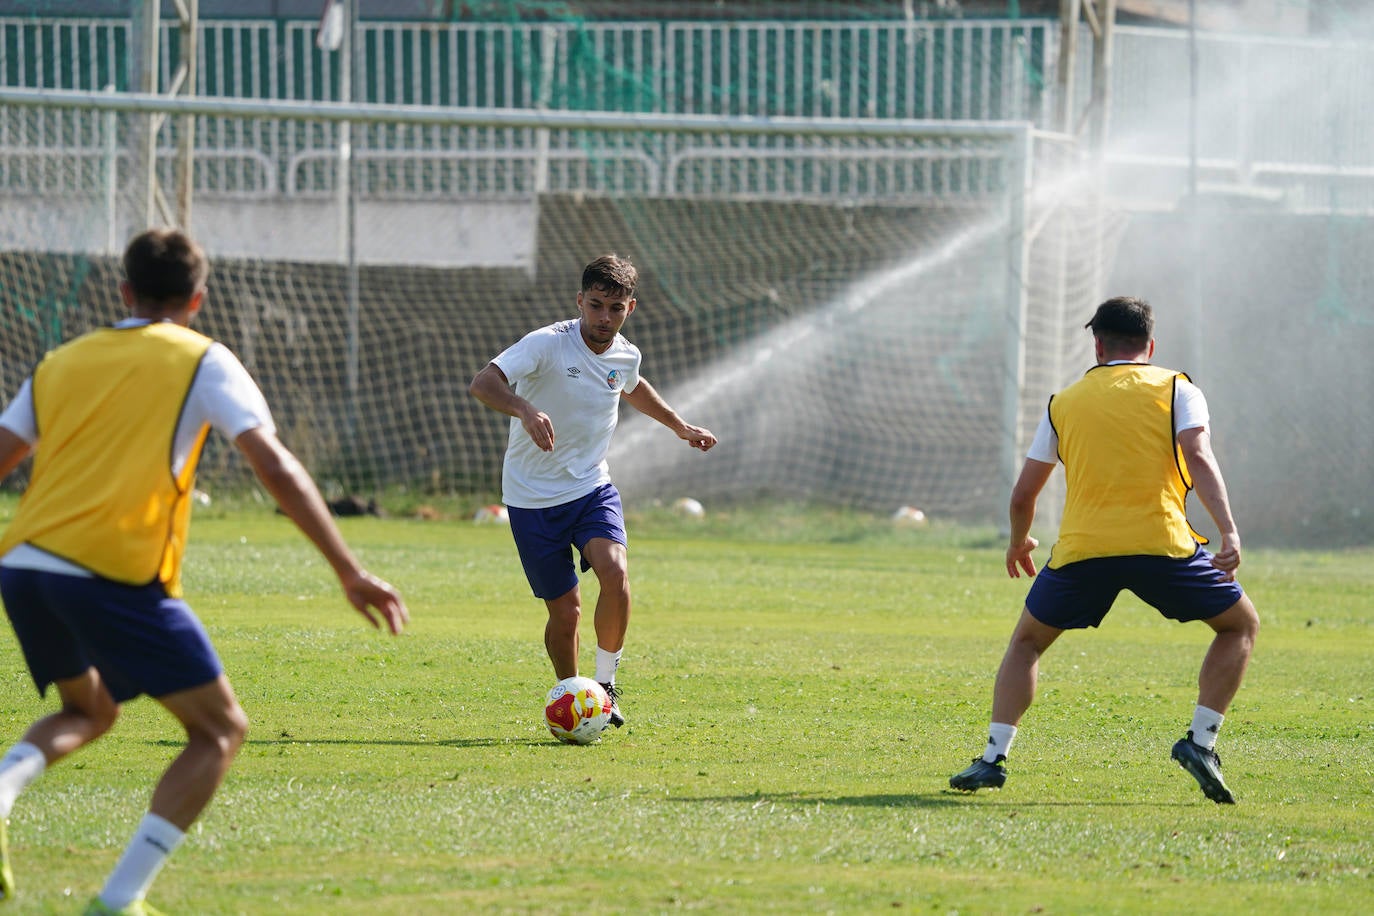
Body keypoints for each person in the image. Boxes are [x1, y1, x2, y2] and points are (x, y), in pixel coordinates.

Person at [0, 228, 409, 915]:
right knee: (219, 731)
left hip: (23, 566)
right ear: (198, 298)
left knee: (89, 709)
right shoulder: (204, 360)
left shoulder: (62, 360)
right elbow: (274, 463)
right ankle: (119, 900)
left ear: (123, 292)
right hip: (112, 571)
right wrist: (348, 569)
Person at [948, 296, 1259, 804]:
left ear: (1097, 345)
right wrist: (1229, 530)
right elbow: (1198, 457)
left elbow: (1024, 494)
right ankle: (1201, 743)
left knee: (1026, 645)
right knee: (1239, 625)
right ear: (1150, 345)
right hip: (1162, 543)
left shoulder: (1063, 403)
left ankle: (992, 758)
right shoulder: (1178, 387)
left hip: (1084, 549)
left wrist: (1018, 539)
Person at [469, 254, 716, 727]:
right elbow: (483, 383)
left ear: (631, 308)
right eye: (597, 305)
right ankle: (572, 695)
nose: (604, 318)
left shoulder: (626, 353)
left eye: (616, 308)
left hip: (590, 488)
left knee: (615, 573)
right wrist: (523, 409)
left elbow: (632, 384)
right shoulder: (546, 344)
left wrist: (680, 426)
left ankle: (604, 689)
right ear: (580, 301)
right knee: (566, 614)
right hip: (531, 497)